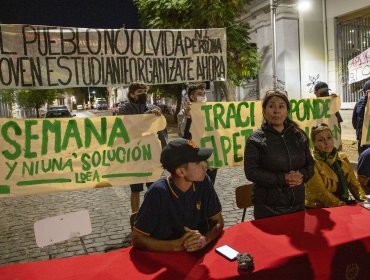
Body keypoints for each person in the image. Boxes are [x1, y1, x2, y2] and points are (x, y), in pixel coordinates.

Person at [131, 138, 224, 252]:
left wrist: (205, 239)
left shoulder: (204, 182)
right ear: (181, 172)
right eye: (197, 162)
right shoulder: (157, 192)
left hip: (197, 254)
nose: (205, 165)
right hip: (164, 257)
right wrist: (177, 245)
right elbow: (137, 239)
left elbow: (218, 221)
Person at [244, 90, 314, 219]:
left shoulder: (298, 136)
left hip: (298, 206)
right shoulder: (255, 139)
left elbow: (310, 164)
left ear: (287, 111)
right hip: (268, 209)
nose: (276, 111)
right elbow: (251, 171)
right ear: (264, 111)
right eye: (271, 106)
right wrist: (282, 178)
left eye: (281, 106)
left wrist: (302, 175)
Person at [118, 81, 168, 213]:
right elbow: (129, 127)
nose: (143, 94)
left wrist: (165, 151)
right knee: (135, 190)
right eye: (140, 92)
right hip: (135, 156)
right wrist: (148, 115)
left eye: (145, 91)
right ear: (132, 95)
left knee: (154, 188)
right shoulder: (125, 109)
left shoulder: (153, 108)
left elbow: (160, 132)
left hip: (151, 156)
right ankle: (135, 218)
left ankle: (152, 217)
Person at [305, 123, 366, 207]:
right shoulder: (311, 163)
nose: (327, 142)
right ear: (314, 143)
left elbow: (354, 185)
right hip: (320, 208)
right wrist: (343, 206)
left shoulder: (342, 158)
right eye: (321, 140)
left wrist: (365, 200)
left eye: (329, 138)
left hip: (341, 203)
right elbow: (322, 193)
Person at [177, 83, 218, 184]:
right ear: (192, 96)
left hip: (210, 156)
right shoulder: (183, 113)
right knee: (195, 187)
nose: (203, 96)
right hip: (194, 157)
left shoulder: (210, 112)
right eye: (199, 93)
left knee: (209, 186)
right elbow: (183, 135)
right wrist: (188, 115)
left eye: (204, 93)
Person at [352, 80, 370, 155]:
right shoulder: (360, 103)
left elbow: (355, 123)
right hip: (364, 139)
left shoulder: (359, 103)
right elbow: (356, 122)